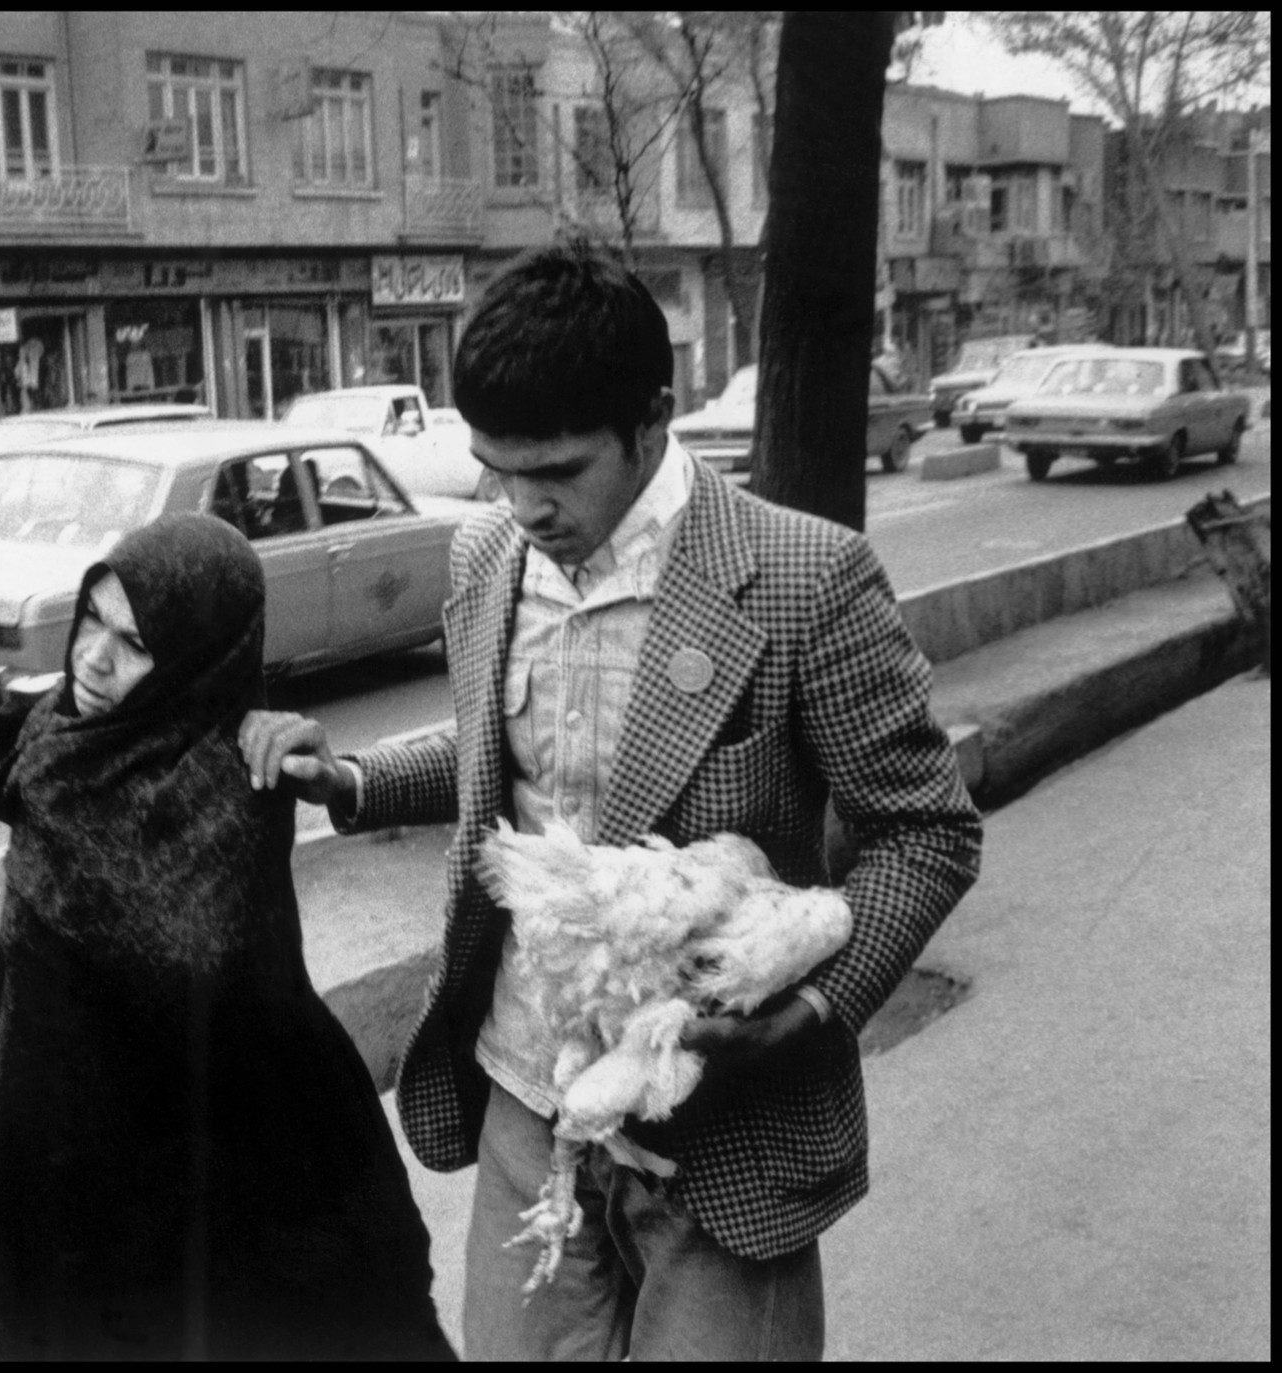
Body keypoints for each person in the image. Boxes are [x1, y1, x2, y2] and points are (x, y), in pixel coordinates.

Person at [241, 241, 982, 1361]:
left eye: (556, 470)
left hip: (719, 1113)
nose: (523, 504)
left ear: (651, 419)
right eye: (496, 469)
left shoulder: (803, 577)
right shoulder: (486, 557)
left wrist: (807, 1012)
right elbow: (504, 755)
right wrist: (351, 779)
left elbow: (924, 830)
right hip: (526, 1090)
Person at [0, 513, 455, 1362]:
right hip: (44, 1140)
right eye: (91, 620)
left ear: (200, 659)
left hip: (208, 1173)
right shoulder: (54, 740)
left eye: (135, 643)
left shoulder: (236, 781)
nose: (93, 659)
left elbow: (231, 1005)